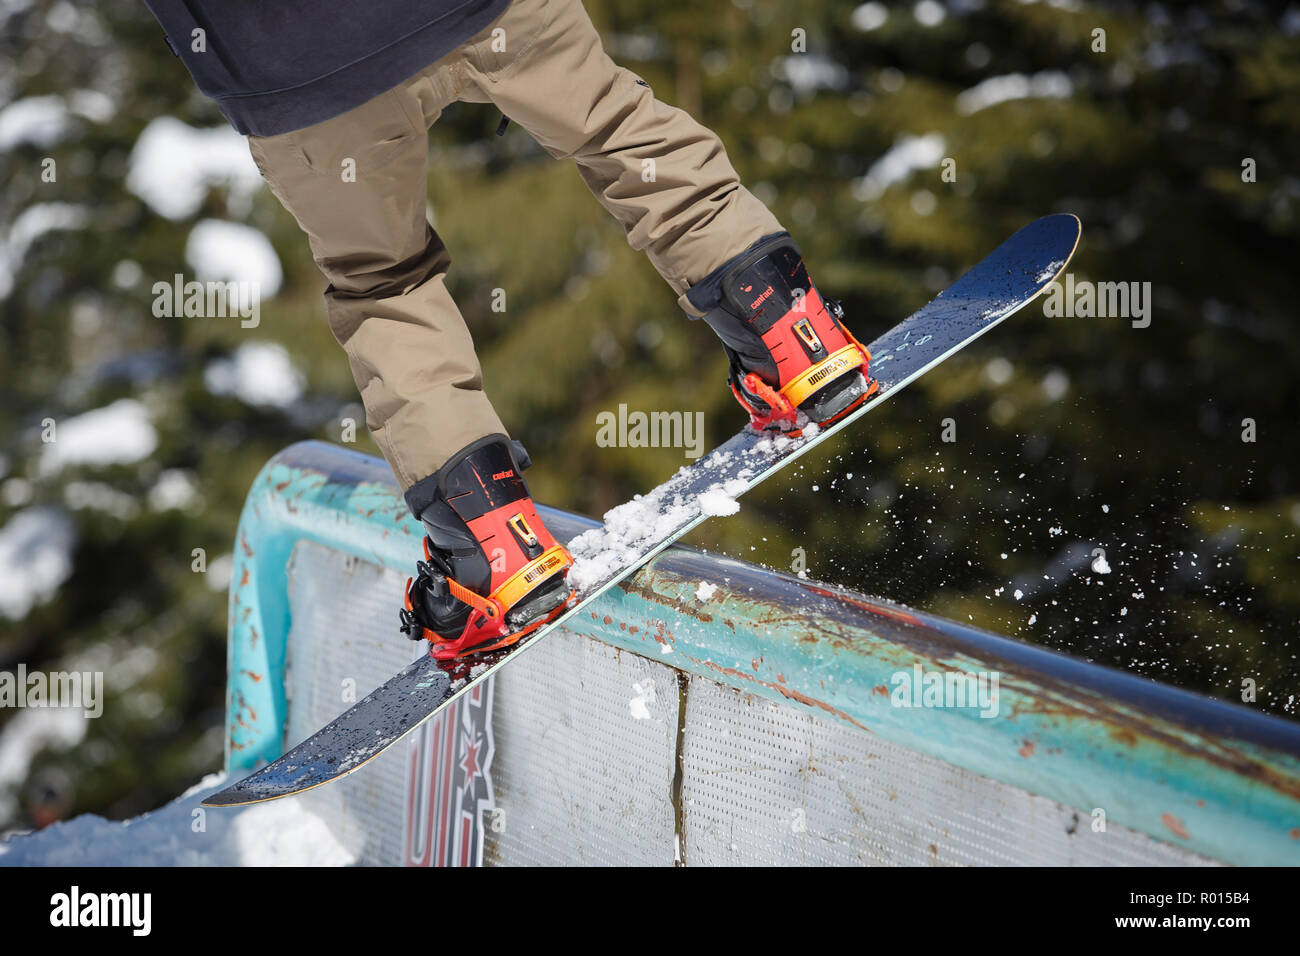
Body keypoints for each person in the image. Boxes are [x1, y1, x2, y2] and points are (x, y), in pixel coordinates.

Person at [142, 0, 874, 660]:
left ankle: (492, 544)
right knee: (620, 131)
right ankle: (793, 330)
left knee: (383, 282)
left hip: (299, 71)